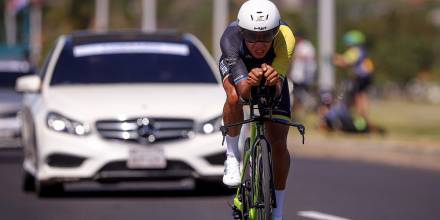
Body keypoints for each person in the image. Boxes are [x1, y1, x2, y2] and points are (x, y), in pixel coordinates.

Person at [218, 1, 295, 219]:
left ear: (276, 31)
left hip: (273, 68)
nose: (259, 43)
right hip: (239, 64)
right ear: (242, 31)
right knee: (233, 97)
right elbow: (244, 93)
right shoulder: (230, 40)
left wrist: (273, 80)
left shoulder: (285, 39)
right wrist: (250, 83)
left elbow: (278, 89)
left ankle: (278, 211)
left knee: (279, 143)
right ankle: (232, 156)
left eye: (266, 35)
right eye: (251, 36)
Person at [333, 30, 374, 118]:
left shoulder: (354, 50)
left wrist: (334, 60)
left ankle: (361, 117)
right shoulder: (362, 50)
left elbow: (345, 62)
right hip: (366, 77)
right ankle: (364, 117)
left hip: (360, 77)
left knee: (358, 97)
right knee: (362, 96)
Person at [288, 31, 317, 116]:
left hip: (304, 77)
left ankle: (308, 105)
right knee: (295, 94)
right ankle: (296, 112)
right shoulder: (299, 46)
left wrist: (298, 56)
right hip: (297, 75)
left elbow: (309, 57)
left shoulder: (307, 46)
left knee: (301, 94)